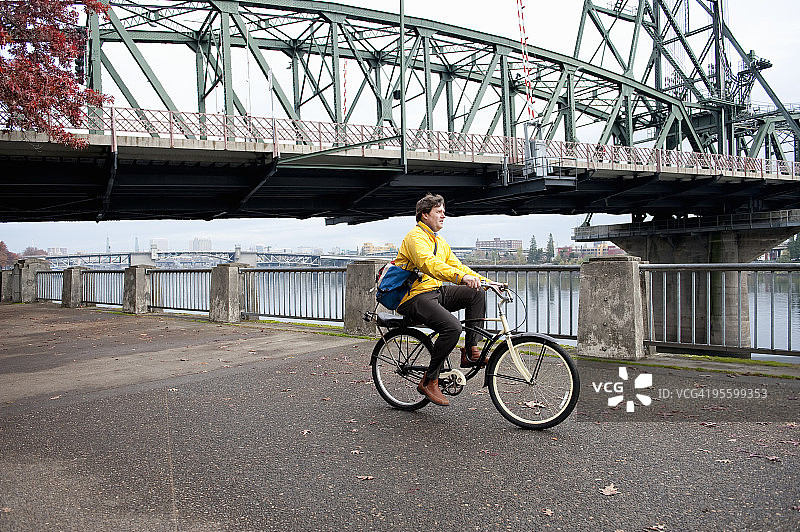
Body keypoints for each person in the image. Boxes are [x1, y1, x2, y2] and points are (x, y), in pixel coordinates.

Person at [394, 193, 489, 406]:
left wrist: (486, 281)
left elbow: (457, 266)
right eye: (439, 212)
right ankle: (430, 380)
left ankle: (471, 352)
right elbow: (429, 264)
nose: (443, 215)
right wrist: (460, 278)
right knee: (453, 327)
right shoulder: (415, 237)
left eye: (444, 211)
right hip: (414, 296)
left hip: (435, 292)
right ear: (424, 215)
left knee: (476, 293)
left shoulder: (439, 241)